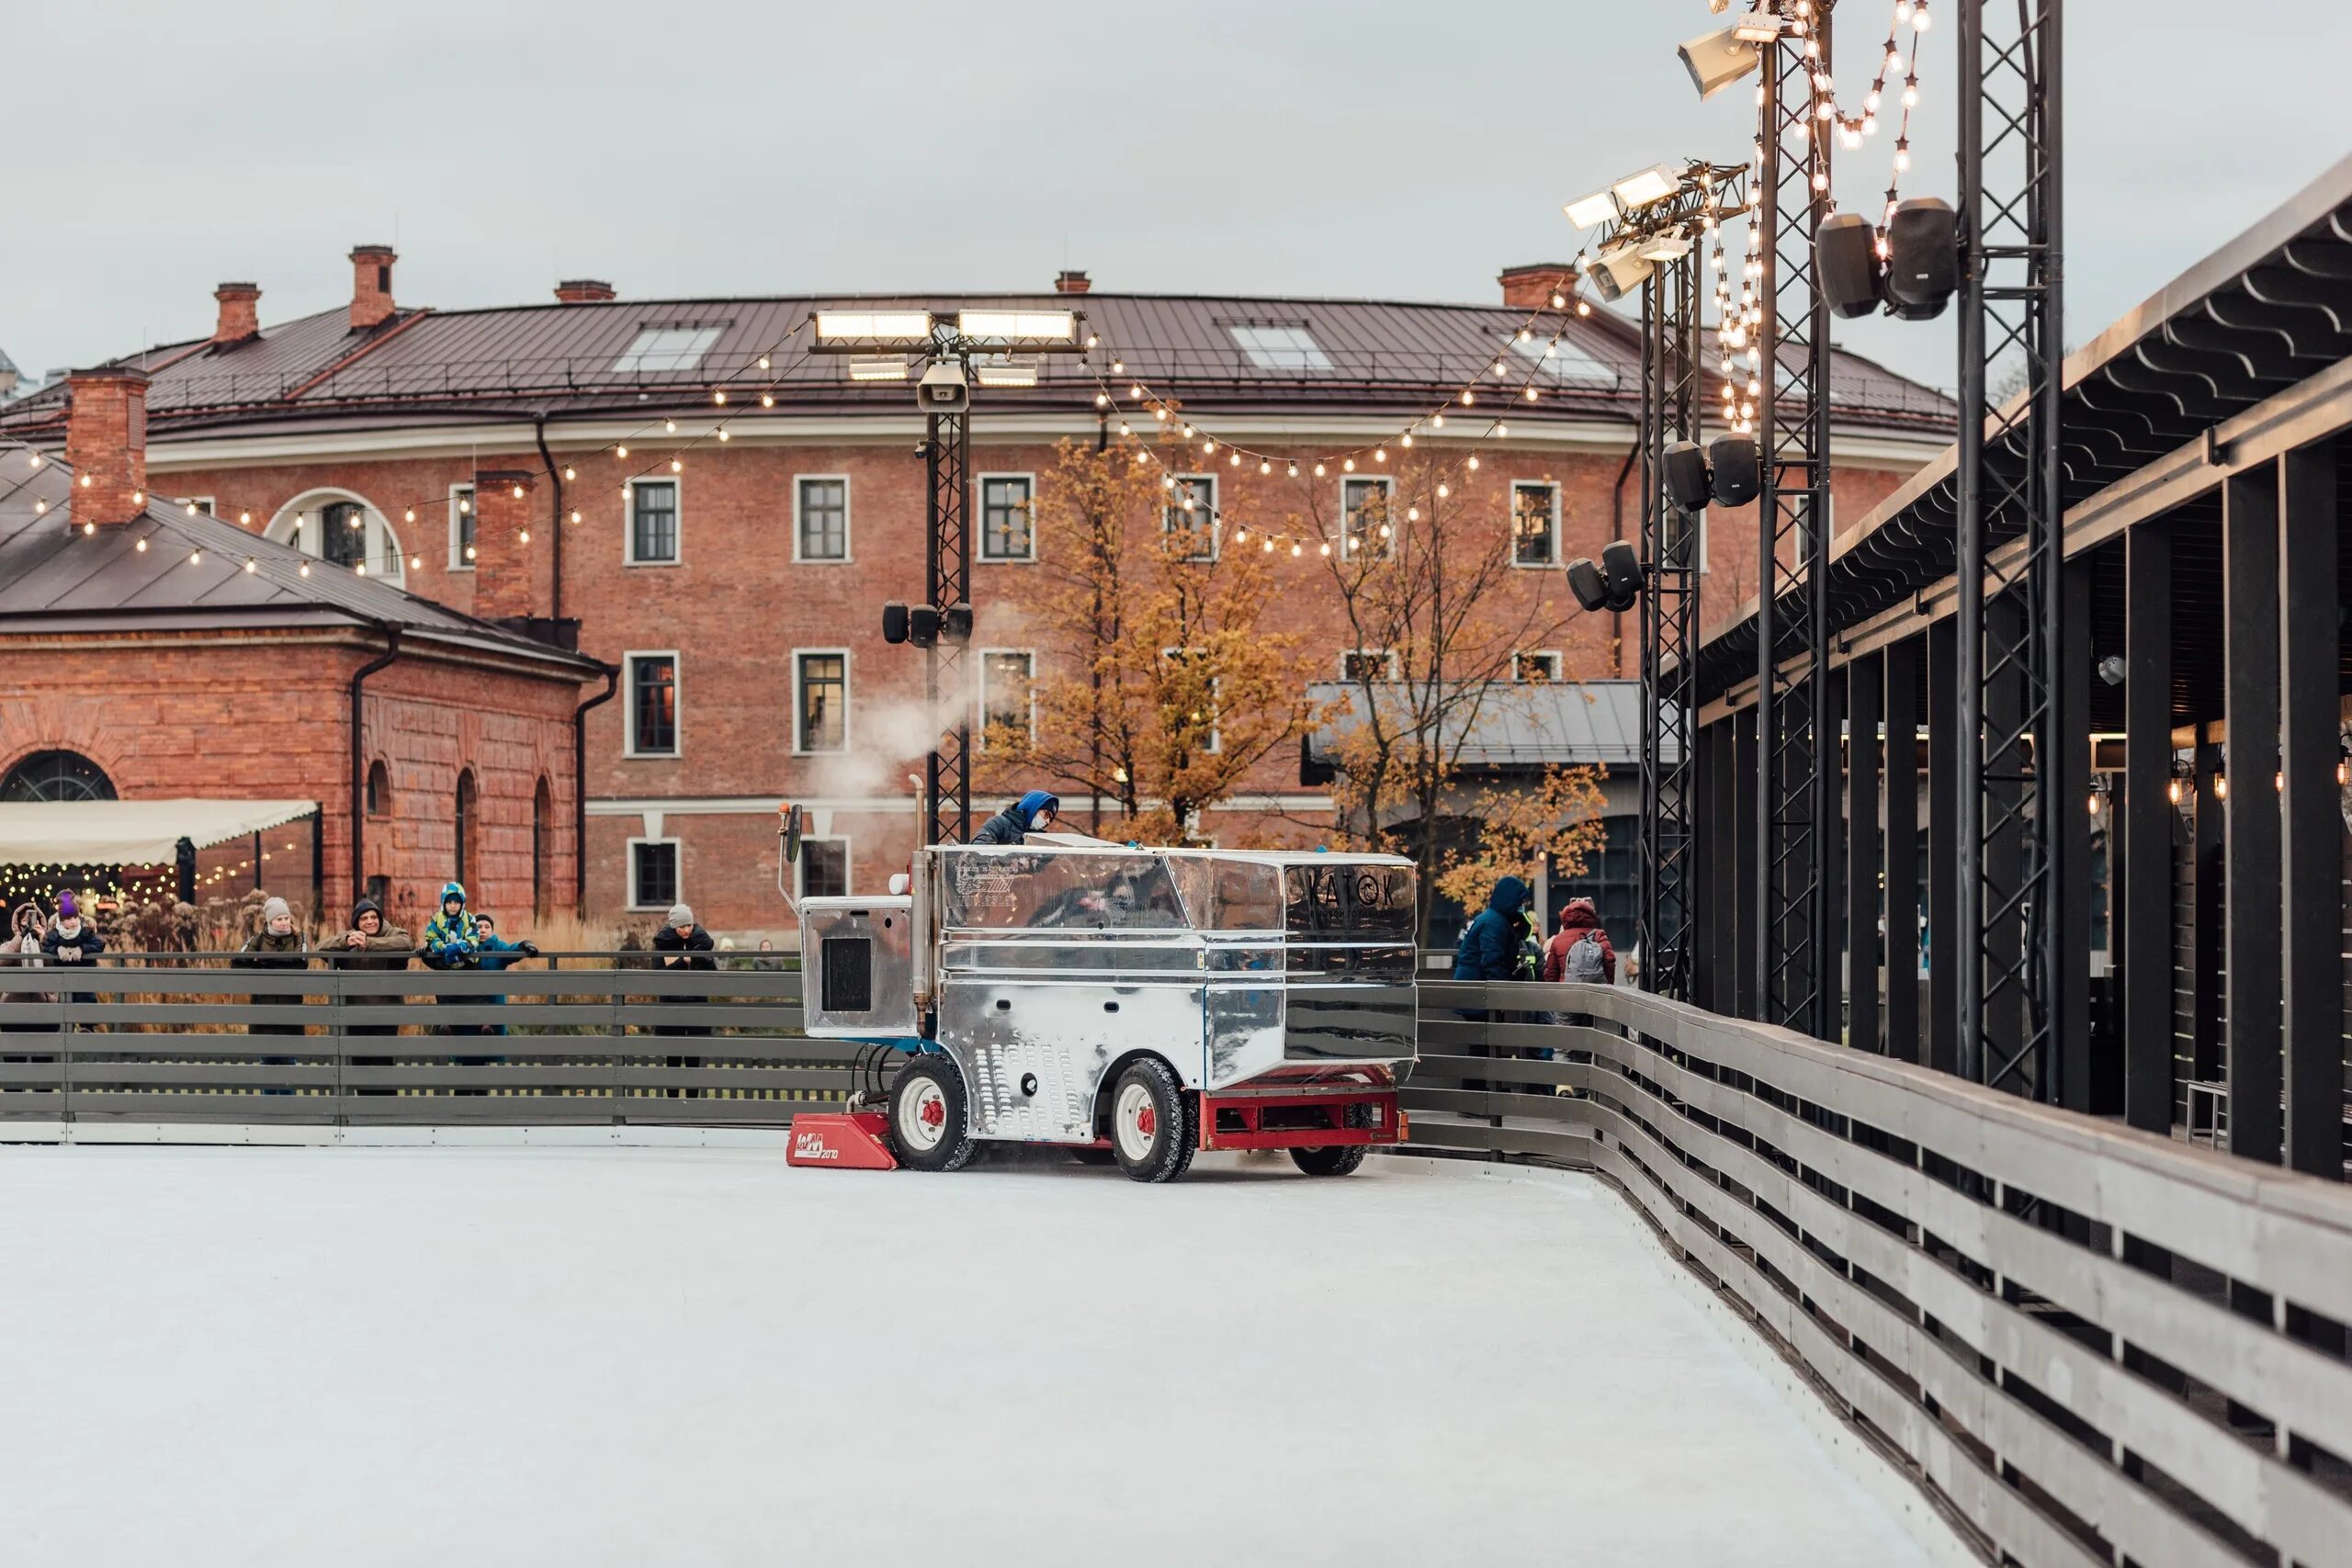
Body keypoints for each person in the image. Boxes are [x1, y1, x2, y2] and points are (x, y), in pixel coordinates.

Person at [329, 897, 412, 1093]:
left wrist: (370, 943)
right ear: (357, 922)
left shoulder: (391, 932)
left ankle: (384, 1113)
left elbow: (407, 942)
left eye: (374, 917)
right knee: (359, 1065)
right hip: (355, 1015)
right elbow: (322, 947)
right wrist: (345, 941)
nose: (370, 921)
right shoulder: (351, 937)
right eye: (364, 918)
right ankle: (363, 1115)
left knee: (382, 1063)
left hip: (385, 1014)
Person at [650, 902, 716, 1097]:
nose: (686, 930)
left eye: (689, 925)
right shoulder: (662, 945)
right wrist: (682, 961)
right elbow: (657, 975)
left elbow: (713, 972)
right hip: (672, 1005)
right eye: (681, 927)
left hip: (696, 1004)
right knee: (673, 1056)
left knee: (694, 1056)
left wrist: (699, 959)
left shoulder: (701, 943)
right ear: (673, 927)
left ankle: (692, 1101)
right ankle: (672, 1101)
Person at [232, 897, 310, 1039]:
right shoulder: (259, 938)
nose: (284, 922)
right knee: (264, 1050)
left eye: (286, 918)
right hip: (263, 1002)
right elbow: (238, 962)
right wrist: (261, 965)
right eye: (279, 919)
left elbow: (301, 963)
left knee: (290, 1053)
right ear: (269, 921)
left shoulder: (298, 937)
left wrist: (263, 964)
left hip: (290, 1003)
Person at [418, 882, 485, 1039]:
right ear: (444, 903)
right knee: (444, 993)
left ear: (462, 903)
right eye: (449, 902)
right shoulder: (437, 919)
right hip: (446, 964)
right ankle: (445, 1024)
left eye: (456, 902)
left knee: (475, 995)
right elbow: (430, 938)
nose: (453, 906)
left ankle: (483, 1024)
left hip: (467, 964)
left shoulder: (469, 919)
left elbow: (474, 939)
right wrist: (443, 947)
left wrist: (459, 947)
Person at [468, 913, 540, 1036]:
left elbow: (510, 950)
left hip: (494, 1006)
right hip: (470, 1007)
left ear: (492, 930)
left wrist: (524, 945)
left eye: (487, 927)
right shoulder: (466, 948)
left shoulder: (498, 946)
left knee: (495, 1048)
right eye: (479, 927)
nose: (483, 931)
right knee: (467, 1048)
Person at [1452, 874, 1531, 983]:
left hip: (1471, 983)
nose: (1522, 905)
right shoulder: (1494, 924)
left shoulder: (1492, 919)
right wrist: (1501, 988)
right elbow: (1492, 962)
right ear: (1511, 900)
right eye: (1521, 902)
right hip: (1477, 988)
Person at [40, 891, 106, 1012]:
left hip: (84, 977)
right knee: (64, 1009)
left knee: (86, 1006)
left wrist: (81, 949)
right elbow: (45, 944)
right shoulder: (55, 934)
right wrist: (58, 950)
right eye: (69, 918)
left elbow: (100, 943)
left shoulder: (84, 931)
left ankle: (87, 1028)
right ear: (61, 919)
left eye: (75, 917)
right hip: (63, 979)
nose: (73, 921)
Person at [1541, 897, 1618, 986]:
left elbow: (1551, 973)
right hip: (1596, 990)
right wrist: (1608, 984)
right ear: (1590, 916)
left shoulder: (1558, 939)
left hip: (1567, 991)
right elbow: (1609, 961)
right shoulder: (1598, 935)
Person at [970, 790, 1059, 847]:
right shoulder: (998, 824)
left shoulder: (1041, 840)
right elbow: (980, 849)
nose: (1047, 821)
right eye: (1047, 814)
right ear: (1033, 807)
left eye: (1051, 819)